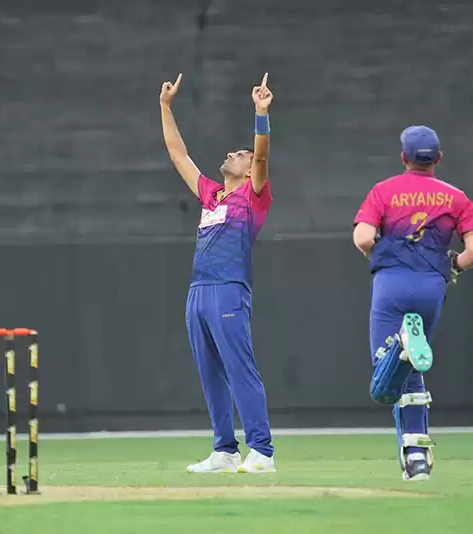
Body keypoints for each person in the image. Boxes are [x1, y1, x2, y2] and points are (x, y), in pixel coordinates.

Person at [352, 125, 473, 481]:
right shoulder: (456, 198)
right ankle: (416, 459)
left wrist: (378, 252)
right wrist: (453, 266)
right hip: (432, 287)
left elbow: (363, 237)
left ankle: (400, 345)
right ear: (438, 158)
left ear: (403, 157)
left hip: (392, 284)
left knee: (387, 370)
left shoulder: (384, 191)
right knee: (414, 370)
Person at [160, 72, 276, 473]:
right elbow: (178, 155)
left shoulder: (254, 194)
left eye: (239, 154)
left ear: (248, 169)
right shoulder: (211, 194)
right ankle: (225, 450)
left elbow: (261, 157)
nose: (232, 154)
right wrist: (165, 107)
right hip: (198, 290)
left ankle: (262, 451)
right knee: (210, 374)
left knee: (239, 369)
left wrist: (261, 113)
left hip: (229, 288)